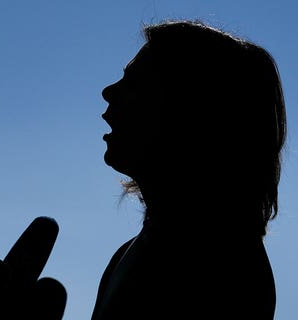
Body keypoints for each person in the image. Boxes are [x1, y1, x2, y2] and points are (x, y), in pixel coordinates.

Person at [92, 20, 286, 319]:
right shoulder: (128, 255)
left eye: (135, 84)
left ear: (190, 112)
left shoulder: (224, 264)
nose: (109, 92)